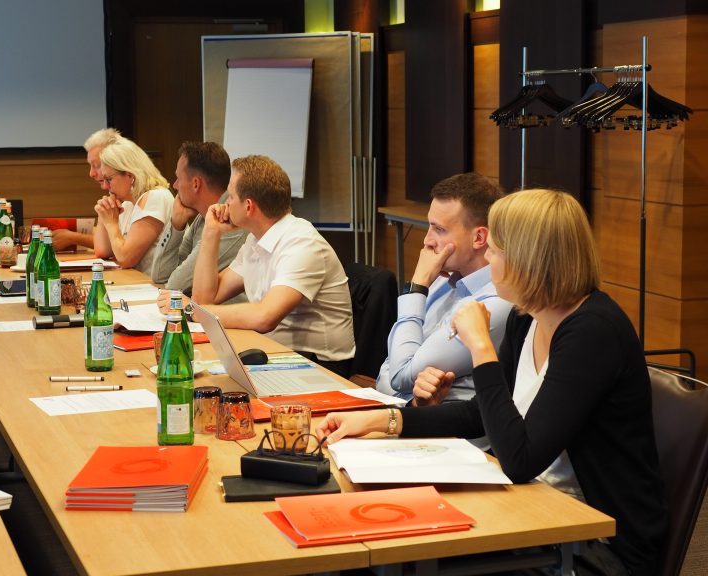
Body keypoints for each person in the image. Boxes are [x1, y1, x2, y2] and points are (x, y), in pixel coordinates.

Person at [317, 189, 667, 576]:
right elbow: (480, 414)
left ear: (528, 261)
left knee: (399, 554)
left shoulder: (592, 332)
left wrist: (481, 346)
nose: (488, 260)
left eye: (495, 252)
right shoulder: (527, 317)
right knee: (379, 533)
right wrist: (382, 420)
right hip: (532, 509)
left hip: (595, 542)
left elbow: (520, 460)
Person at [159, 154, 354, 377]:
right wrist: (211, 232)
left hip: (320, 366)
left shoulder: (302, 244)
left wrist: (193, 311)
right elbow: (205, 298)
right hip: (275, 352)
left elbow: (264, 317)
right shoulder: (256, 239)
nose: (224, 204)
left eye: (231, 197)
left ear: (249, 206)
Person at [375, 173, 511, 408]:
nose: (427, 241)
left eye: (439, 229)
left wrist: (417, 285)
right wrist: (409, 399)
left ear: (479, 237)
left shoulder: (495, 302)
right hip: (410, 415)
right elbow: (385, 373)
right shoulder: (443, 278)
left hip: (456, 428)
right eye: (429, 226)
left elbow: (399, 376)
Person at [149, 141, 247, 300]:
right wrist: (176, 225)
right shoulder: (203, 216)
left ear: (196, 184)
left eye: (178, 178)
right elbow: (160, 275)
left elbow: (175, 285)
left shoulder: (229, 220)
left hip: (224, 315)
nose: (175, 185)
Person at [93, 138, 174, 277]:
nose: (105, 186)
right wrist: (103, 214)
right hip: (140, 283)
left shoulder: (156, 197)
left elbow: (125, 258)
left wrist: (111, 223)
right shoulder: (127, 204)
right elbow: (103, 251)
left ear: (130, 176)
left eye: (109, 179)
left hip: (161, 287)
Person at [52, 128, 124, 252]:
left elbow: (121, 248)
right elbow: (105, 247)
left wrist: (73, 238)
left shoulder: (144, 198)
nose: (91, 174)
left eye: (97, 165)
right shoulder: (113, 197)